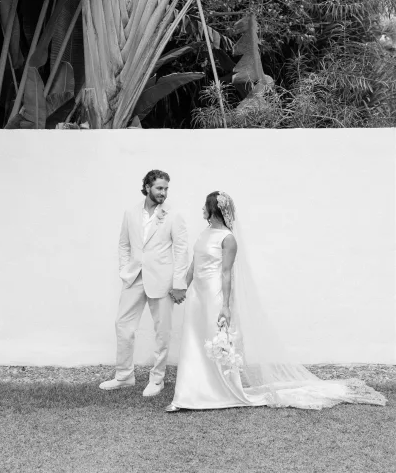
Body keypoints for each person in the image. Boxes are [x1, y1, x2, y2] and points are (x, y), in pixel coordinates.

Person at [165, 191, 387, 412]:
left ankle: (218, 391)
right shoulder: (204, 233)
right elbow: (195, 263)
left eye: (205, 205)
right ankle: (189, 392)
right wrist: (182, 286)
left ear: (213, 209)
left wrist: (225, 305)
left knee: (214, 340)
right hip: (197, 296)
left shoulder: (228, 238)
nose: (201, 209)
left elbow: (225, 273)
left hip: (214, 295)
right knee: (193, 341)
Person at [100, 169, 188, 397]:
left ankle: (157, 379)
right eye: (159, 188)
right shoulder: (130, 213)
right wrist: (124, 269)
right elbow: (123, 244)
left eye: (166, 188)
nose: (163, 193)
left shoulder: (174, 215)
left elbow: (181, 250)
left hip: (162, 280)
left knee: (162, 331)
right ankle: (124, 375)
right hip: (134, 277)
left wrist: (179, 283)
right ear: (147, 187)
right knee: (123, 325)